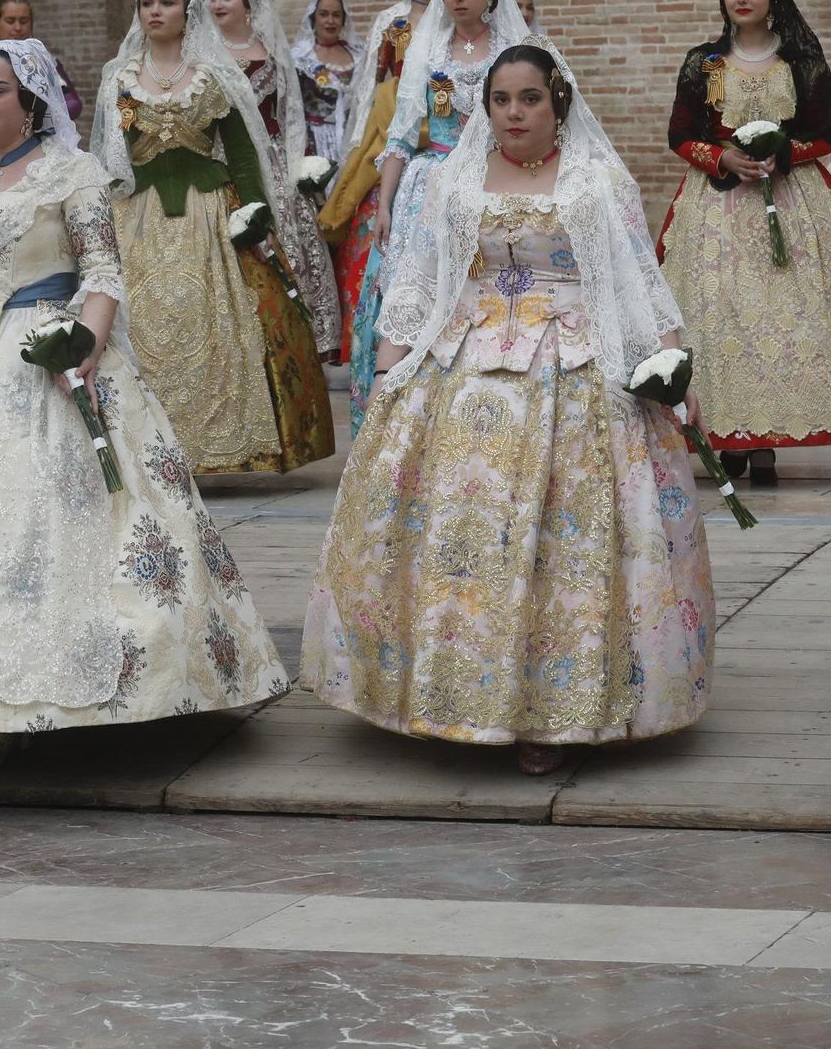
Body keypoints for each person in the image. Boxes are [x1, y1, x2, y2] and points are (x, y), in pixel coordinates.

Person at [0, 36, 285, 769]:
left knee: (41, 525)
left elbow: (104, 271)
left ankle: (66, 691)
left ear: (31, 99)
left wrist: (83, 344)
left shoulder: (73, 174)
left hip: (48, 353)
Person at [305, 38, 712, 776]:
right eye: (500, 100)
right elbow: (425, 270)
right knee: (461, 533)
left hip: (575, 367)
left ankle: (554, 712)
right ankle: (449, 692)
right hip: (465, 368)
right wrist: (393, 364)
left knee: (565, 544)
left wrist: (669, 360)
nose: (514, 112)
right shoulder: (455, 180)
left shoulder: (595, 180)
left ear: (557, 100)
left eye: (528, 98)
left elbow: (634, 276)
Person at [658, 0, 831, 483]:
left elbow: (826, 132)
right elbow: (680, 134)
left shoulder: (801, 62)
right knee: (718, 313)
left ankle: (771, 436)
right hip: (714, 209)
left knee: (786, 311)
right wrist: (720, 156)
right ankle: (726, 430)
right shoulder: (705, 61)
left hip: (791, 202)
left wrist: (781, 154)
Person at [93, 0, 334, 474]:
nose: (155, 12)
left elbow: (243, 152)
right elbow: (107, 158)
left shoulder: (213, 74)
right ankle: (148, 450)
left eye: (166, 3)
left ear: (187, 12)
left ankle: (222, 447)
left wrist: (252, 209)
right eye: (147, 4)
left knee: (229, 320)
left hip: (209, 209)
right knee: (144, 324)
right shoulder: (119, 77)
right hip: (138, 216)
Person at [348, 0, 529, 430]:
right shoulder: (426, 49)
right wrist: (384, 204)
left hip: (495, 179)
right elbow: (402, 136)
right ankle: (404, 416)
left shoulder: (512, 47)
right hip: (430, 184)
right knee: (416, 295)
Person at [317, 0, 444, 370]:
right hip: (396, 135)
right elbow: (373, 87)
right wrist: (364, 147)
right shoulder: (393, 26)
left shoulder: (459, 21)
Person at [207, 0, 343, 359]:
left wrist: (297, 164)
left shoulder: (271, 51)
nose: (217, 3)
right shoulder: (200, 54)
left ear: (247, 2)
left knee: (291, 246)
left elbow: (290, 116)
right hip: (222, 163)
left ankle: (297, 336)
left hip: (274, 160)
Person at [0, 0, 83, 120]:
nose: (18, 28)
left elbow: (74, 104)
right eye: (10, 21)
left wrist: (42, 113)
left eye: (24, 21)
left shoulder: (44, 61)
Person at [292, 0, 358, 169]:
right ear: (314, 18)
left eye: (336, 15)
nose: (330, 21)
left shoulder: (359, 56)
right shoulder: (300, 58)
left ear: (343, 20)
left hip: (353, 139)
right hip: (316, 140)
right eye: (324, 14)